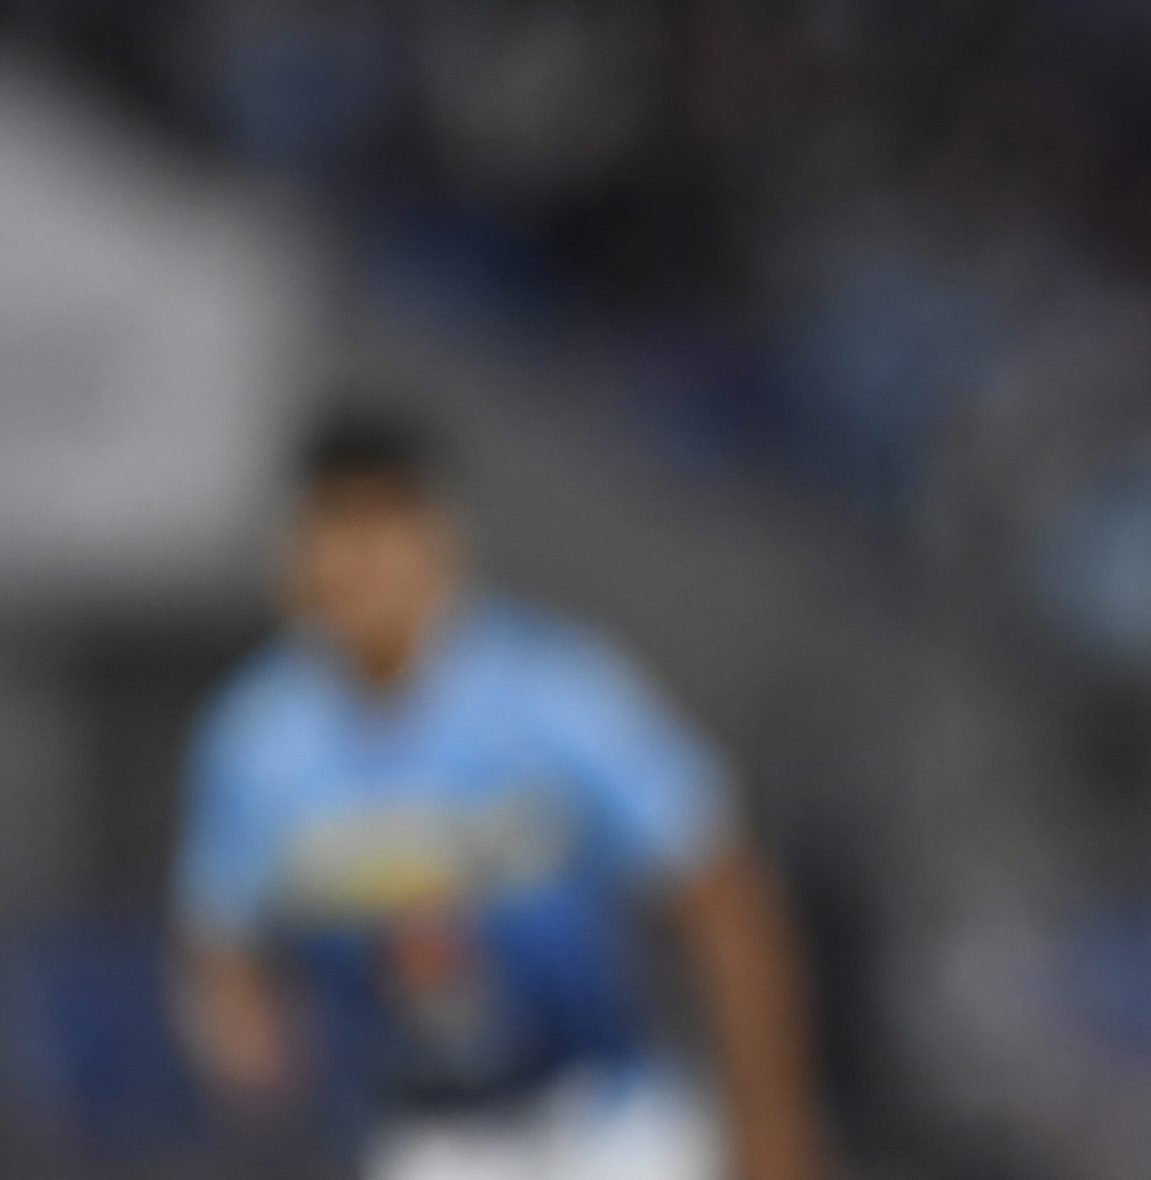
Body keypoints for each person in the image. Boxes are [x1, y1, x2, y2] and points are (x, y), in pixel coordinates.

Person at [174, 409, 828, 1180]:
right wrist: (246, 1038)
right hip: (429, 1136)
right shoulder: (259, 740)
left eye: (388, 521)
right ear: (293, 550)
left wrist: (774, 1129)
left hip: (602, 1125)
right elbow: (222, 945)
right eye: (336, 524)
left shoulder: (549, 693)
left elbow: (723, 895)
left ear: (442, 537)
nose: (363, 558)